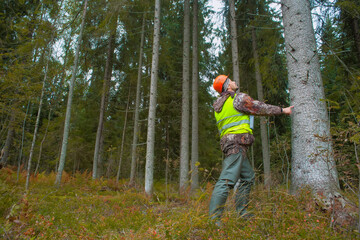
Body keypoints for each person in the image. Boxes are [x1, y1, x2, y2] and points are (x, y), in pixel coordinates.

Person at [209, 75, 293, 222]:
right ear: (228, 86)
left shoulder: (219, 106)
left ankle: (242, 213)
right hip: (237, 144)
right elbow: (259, 107)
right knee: (226, 180)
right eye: (231, 80)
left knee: (247, 177)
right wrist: (282, 110)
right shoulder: (238, 98)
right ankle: (214, 220)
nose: (235, 81)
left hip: (229, 144)